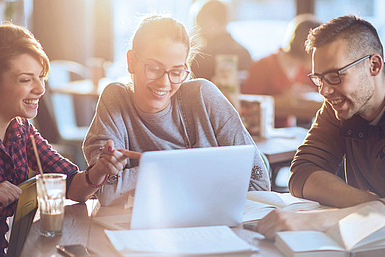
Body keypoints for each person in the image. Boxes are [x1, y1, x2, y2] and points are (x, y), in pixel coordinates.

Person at [0, 23, 127, 257]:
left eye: (41, 76)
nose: (40, 89)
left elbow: (72, 186)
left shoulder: (21, 129)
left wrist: (99, 170)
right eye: (26, 80)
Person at [254, 15, 385, 245]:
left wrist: (316, 221)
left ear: (374, 65)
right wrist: (384, 211)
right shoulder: (341, 105)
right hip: (374, 243)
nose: (324, 91)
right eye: (318, 79)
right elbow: (302, 173)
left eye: (335, 76)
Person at [83, 15, 270, 207]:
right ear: (131, 62)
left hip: (214, 221)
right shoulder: (115, 98)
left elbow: (258, 183)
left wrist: (146, 172)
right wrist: (184, 168)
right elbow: (105, 189)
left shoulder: (203, 96)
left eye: (176, 72)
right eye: (154, 68)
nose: (164, 83)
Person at [242, 14, 321, 127]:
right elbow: (247, 105)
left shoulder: (304, 69)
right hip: (264, 132)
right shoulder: (263, 66)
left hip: (288, 132)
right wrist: (282, 98)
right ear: (305, 46)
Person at [190, 0, 252, 81]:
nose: (199, 30)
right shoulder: (244, 53)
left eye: (200, 23)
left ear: (209, 22)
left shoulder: (201, 57)